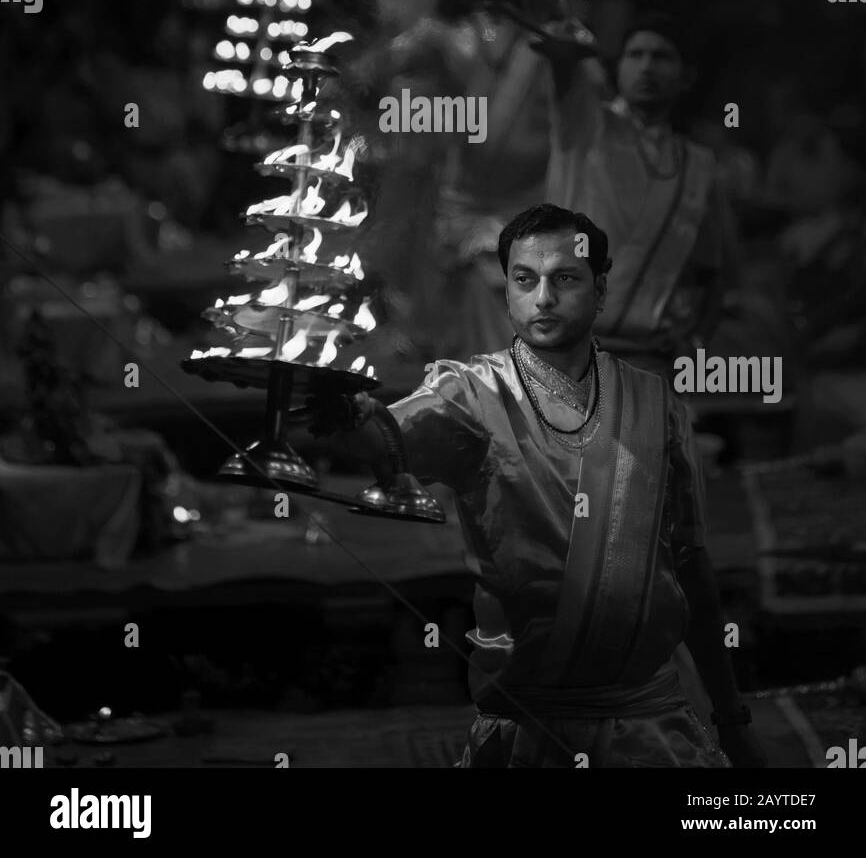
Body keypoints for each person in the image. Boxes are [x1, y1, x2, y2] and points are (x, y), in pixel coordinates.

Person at [310, 204, 766, 769]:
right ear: (507, 293)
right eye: (524, 281)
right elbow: (383, 439)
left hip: (651, 731)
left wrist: (730, 718)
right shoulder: (469, 393)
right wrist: (337, 408)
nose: (543, 299)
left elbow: (693, 565)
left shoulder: (657, 403)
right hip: (526, 736)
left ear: (600, 291)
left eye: (565, 280)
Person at [538, 12, 737, 379]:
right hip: (569, 351)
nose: (646, 66)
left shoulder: (698, 164)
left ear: (685, 77)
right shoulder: (585, 125)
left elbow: (713, 273)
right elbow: (564, 67)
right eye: (635, 54)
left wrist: (695, 345)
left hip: (652, 361)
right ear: (619, 66)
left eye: (661, 57)